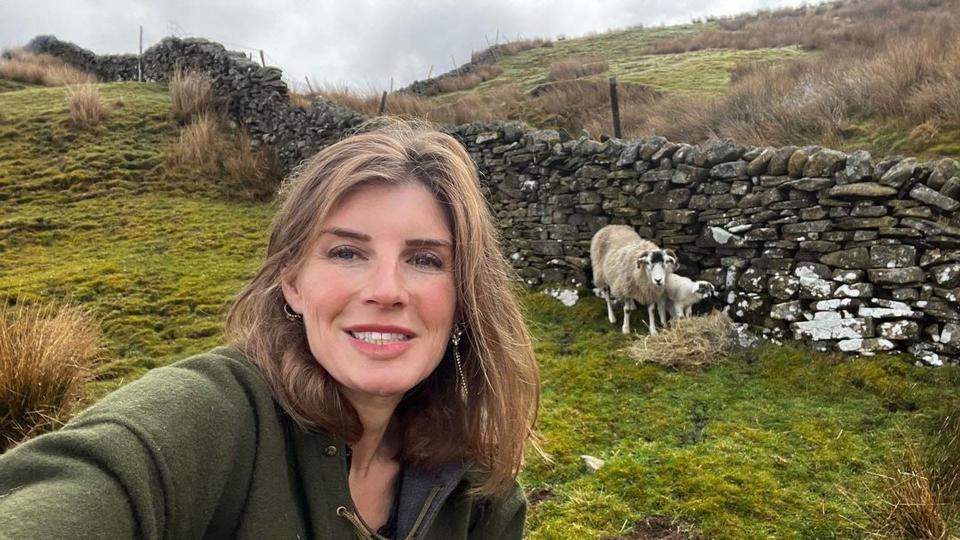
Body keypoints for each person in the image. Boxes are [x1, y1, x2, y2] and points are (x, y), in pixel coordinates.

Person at [0, 120, 541, 539]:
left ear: (465, 292)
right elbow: (87, 484)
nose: (385, 289)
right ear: (292, 282)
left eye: (424, 260)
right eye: (346, 252)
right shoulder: (213, 418)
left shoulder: (478, 490)